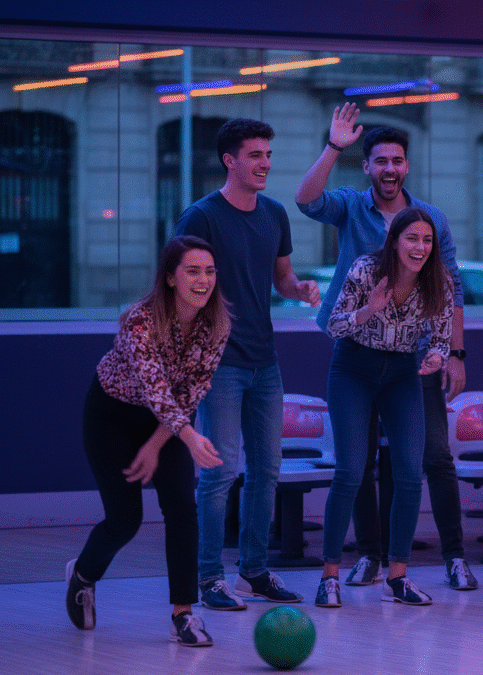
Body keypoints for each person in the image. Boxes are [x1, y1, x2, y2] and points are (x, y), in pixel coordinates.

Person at [295, 104, 476, 591]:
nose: (389, 169)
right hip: (357, 346)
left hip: (411, 358)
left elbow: (450, 291)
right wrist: (334, 146)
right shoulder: (352, 207)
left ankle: (453, 557)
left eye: (397, 160)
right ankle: (368, 557)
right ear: (368, 166)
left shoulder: (430, 220)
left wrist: (453, 353)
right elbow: (306, 201)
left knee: (430, 457)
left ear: (406, 166)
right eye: (380, 161)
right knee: (359, 464)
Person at [177, 118, 319, 611]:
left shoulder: (274, 215)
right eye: (255, 155)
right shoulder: (201, 217)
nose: (265, 164)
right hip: (218, 367)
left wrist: (299, 290)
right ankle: (209, 578)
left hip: (265, 361)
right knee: (220, 471)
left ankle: (253, 572)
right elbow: (181, 288)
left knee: (268, 470)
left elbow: (282, 277)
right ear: (230, 161)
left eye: (268, 155)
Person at [65, 235, 230, 646]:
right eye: (192, 271)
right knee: (125, 519)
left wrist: (159, 444)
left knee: (181, 509)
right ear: (171, 278)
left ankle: (183, 614)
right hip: (112, 416)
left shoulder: (217, 325)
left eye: (209, 271)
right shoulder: (140, 320)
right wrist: (190, 437)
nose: (203, 280)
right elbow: (155, 388)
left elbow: (191, 391)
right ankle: (83, 575)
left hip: (168, 425)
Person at [314, 207, 454, 607]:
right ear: (394, 240)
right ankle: (329, 575)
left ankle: (398, 576)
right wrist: (370, 308)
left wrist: (437, 357)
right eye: (412, 238)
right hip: (353, 367)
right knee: (351, 471)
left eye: (427, 240)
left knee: (411, 473)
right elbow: (333, 326)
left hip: (402, 373)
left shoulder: (437, 281)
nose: (420, 247)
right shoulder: (365, 269)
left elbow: (441, 338)